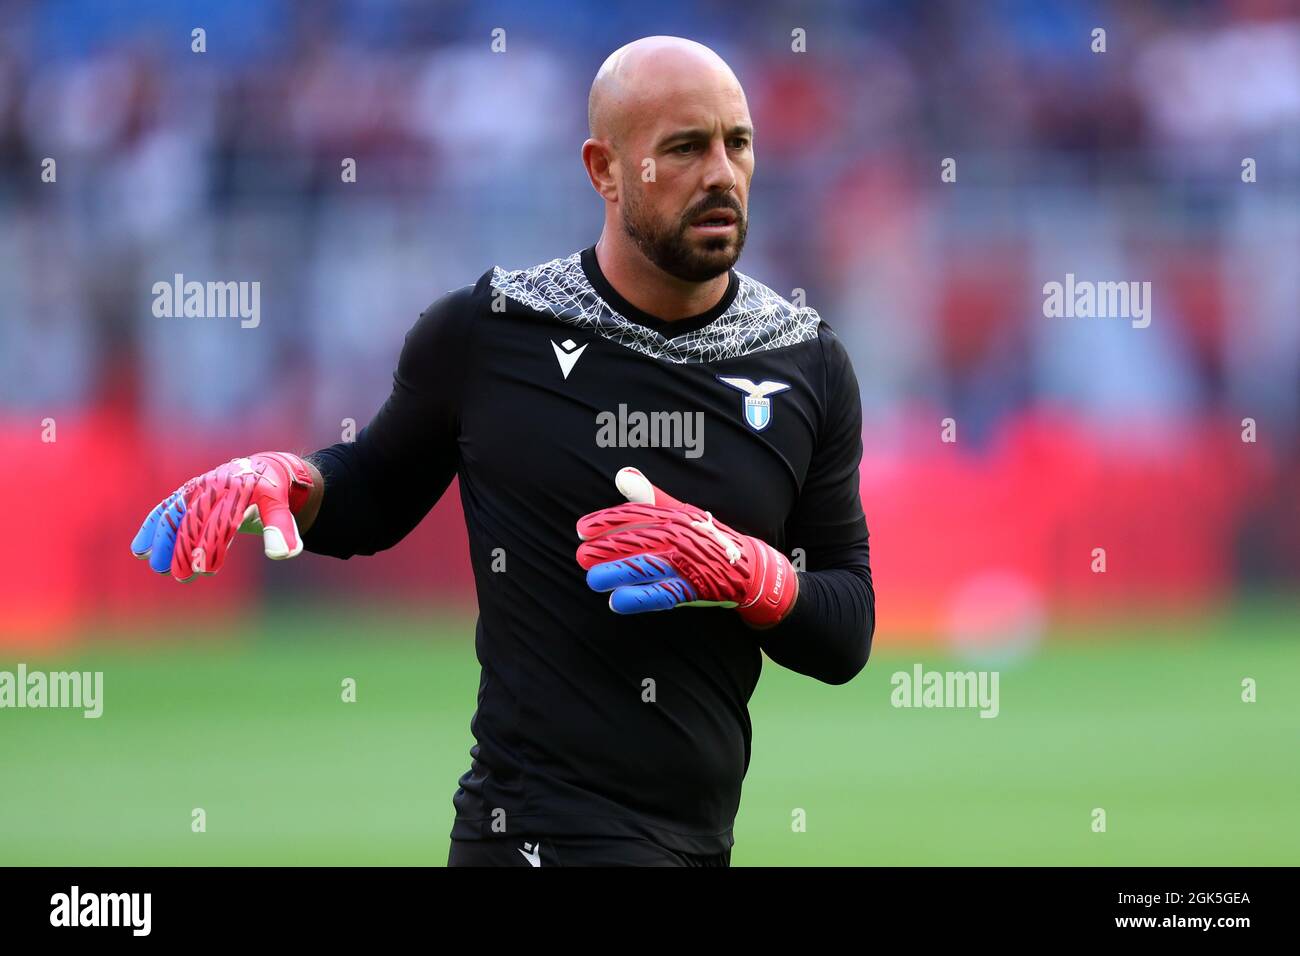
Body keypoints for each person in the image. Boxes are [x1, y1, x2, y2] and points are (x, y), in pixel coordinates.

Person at [131, 36, 875, 867]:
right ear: (605, 169)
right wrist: (287, 476)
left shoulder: (805, 359)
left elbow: (846, 631)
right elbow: (374, 491)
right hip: (528, 832)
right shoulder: (490, 331)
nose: (721, 173)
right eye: (684, 148)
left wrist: (748, 572)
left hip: (698, 842)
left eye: (737, 143)